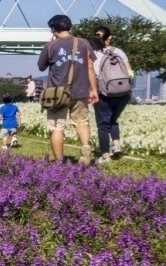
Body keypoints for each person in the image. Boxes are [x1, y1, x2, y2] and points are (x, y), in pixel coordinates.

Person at [37, 14, 99, 163]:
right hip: (81, 90)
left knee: (57, 127)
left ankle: (59, 162)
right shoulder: (84, 44)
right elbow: (90, 67)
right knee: (82, 122)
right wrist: (94, 90)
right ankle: (85, 147)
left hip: (57, 94)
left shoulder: (51, 46)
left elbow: (41, 67)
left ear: (54, 29)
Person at [91, 25, 133, 164]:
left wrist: (92, 91)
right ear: (110, 38)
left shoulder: (93, 54)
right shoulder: (119, 51)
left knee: (103, 125)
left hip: (103, 93)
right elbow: (130, 73)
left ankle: (105, 156)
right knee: (113, 120)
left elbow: (91, 73)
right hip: (122, 93)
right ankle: (116, 145)